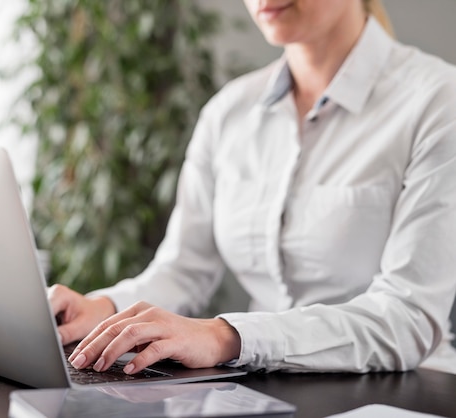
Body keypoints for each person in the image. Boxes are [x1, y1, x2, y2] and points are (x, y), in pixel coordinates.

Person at [49, 0, 456, 375]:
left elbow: (408, 317)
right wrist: (103, 308)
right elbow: (184, 271)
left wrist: (228, 337)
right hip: (264, 384)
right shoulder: (229, 112)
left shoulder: (437, 102)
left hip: (407, 390)